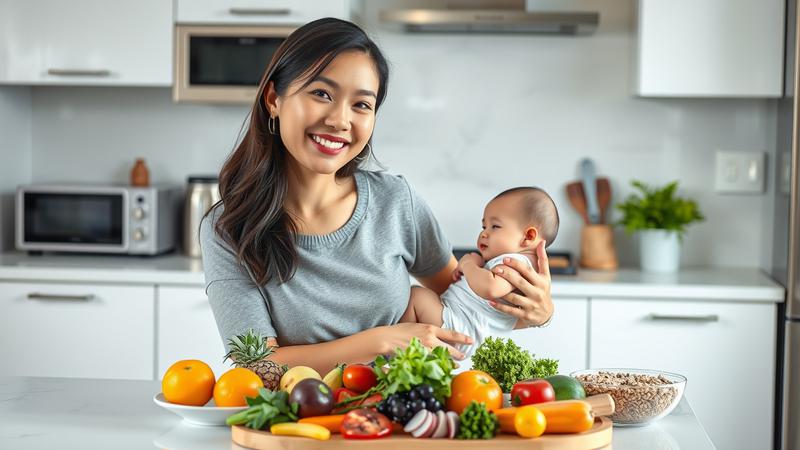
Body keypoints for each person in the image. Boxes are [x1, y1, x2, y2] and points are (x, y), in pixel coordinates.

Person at [200, 18, 554, 376]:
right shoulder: (228, 228)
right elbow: (256, 366)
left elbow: (466, 310)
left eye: (361, 104)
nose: (340, 120)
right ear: (274, 99)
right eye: (321, 94)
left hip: (403, 408)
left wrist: (538, 314)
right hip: (298, 412)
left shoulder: (395, 202)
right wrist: (379, 342)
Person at [400, 187, 559, 358]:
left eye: (495, 226)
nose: (484, 233)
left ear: (528, 236)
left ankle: (398, 353)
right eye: (484, 226)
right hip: (462, 325)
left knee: (417, 296)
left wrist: (468, 264)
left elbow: (491, 288)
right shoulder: (513, 262)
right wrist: (477, 264)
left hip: (460, 325)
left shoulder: (516, 262)